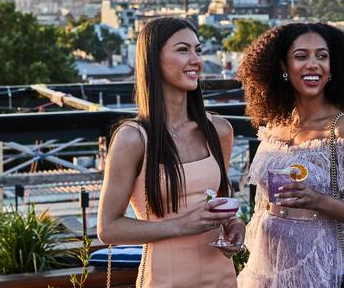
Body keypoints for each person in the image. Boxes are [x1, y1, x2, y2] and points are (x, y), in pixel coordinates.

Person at [236, 23, 344, 287]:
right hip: (268, 261)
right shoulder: (274, 125)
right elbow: (263, 202)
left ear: (333, 67)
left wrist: (317, 200)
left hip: (320, 263)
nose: (313, 64)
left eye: (322, 56)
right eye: (301, 56)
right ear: (284, 68)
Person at [97, 17, 244, 288]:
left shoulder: (219, 129)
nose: (196, 60)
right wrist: (181, 226)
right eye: (182, 50)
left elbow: (221, 200)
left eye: (198, 50)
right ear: (153, 59)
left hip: (222, 277)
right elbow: (108, 228)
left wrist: (235, 225)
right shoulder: (133, 138)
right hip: (165, 279)